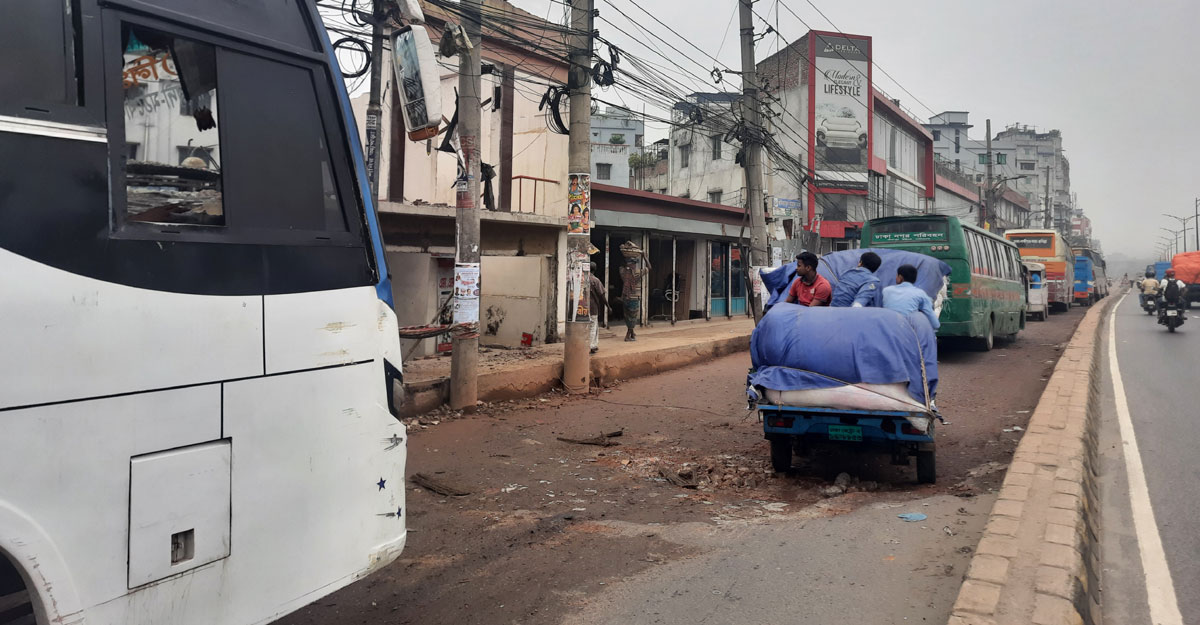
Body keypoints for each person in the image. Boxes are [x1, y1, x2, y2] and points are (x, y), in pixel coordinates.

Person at [882, 264, 941, 330]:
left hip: (887, 329)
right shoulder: (920, 293)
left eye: (896, 275)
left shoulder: (886, 291)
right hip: (907, 331)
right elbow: (935, 324)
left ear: (900, 277)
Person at [618, 251, 650, 341]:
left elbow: (621, 266)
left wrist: (625, 260)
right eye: (635, 263)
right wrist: (644, 257)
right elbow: (649, 267)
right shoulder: (637, 273)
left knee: (628, 316)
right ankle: (628, 336)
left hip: (625, 297)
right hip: (634, 298)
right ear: (633, 264)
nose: (635, 265)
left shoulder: (623, 272)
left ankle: (632, 334)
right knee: (633, 317)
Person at [587, 262, 609, 354]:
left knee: (587, 327)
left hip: (582, 308)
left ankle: (592, 345)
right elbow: (602, 295)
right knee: (593, 327)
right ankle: (592, 346)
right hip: (593, 307)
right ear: (594, 270)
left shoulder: (582, 279)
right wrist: (608, 306)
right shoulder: (595, 280)